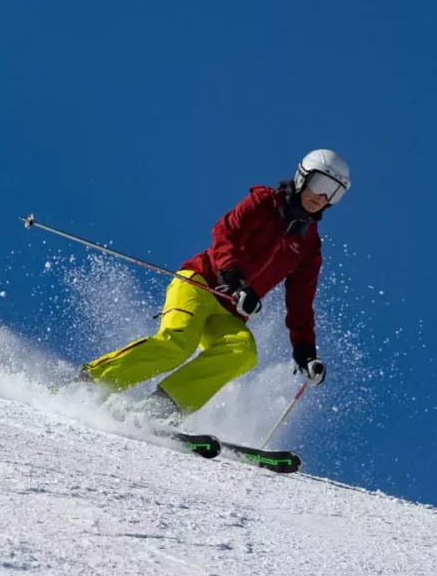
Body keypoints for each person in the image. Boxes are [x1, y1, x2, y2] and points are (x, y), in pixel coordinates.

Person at [79, 149, 351, 422]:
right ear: (303, 177)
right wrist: (233, 279)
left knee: (242, 352)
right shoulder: (264, 202)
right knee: (177, 344)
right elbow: (225, 232)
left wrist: (305, 353)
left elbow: (300, 303)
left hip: (230, 312)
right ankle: (90, 384)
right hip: (200, 283)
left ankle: (159, 409)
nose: (322, 197)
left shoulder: (308, 247)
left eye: (334, 193)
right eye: (320, 185)